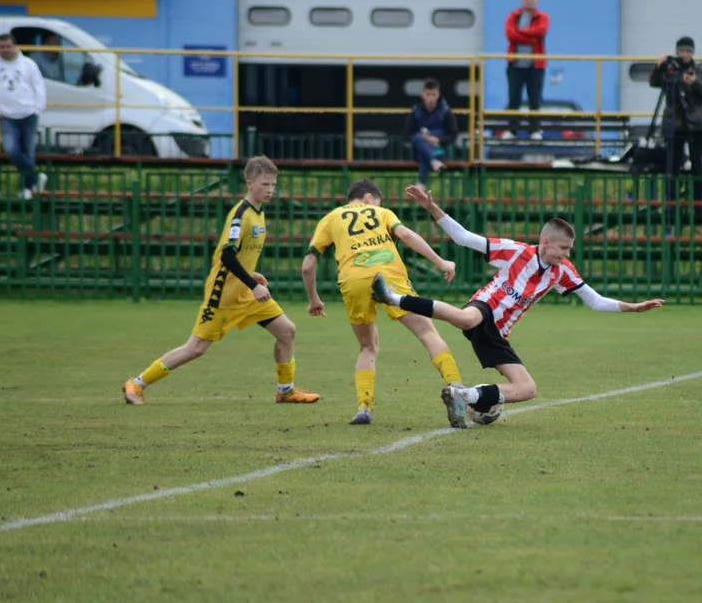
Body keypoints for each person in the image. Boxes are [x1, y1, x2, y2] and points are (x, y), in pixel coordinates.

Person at [371, 185, 665, 429]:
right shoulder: (515, 252)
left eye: (569, 250)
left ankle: (465, 396)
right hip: (485, 307)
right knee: (465, 318)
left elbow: (596, 301)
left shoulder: (562, 271)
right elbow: (463, 238)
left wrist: (633, 307)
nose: (566, 254)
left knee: (527, 389)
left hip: (498, 332)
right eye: (563, 248)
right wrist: (431, 207)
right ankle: (395, 298)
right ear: (546, 242)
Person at [123, 156, 320, 405]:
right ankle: (136, 384)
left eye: (273, 185)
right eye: (264, 185)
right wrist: (253, 284)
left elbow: (240, 253)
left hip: (246, 292)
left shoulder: (258, 213)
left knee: (287, 331)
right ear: (249, 183)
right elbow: (227, 256)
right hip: (223, 294)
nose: (270, 190)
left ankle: (285, 391)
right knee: (195, 348)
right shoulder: (241, 214)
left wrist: (252, 275)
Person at [302, 178, 467, 425]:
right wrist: (441, 262)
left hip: (353, 278)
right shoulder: (382, 212)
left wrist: (314, 299)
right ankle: (457, 389)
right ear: (369, 197)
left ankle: (364, 408)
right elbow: (407, 235)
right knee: (427, 333)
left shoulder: (331, 218)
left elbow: (307, 266)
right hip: (389, 274)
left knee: (367, 347)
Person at [649, 36, 702, 209]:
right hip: (674, 124)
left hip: (696, 125)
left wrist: (695, 83)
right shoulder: (670, 68)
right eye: (681, 51)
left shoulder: (700, 70)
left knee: (697, 163)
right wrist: (658, 67)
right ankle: (671, 202)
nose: (684, 55)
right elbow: (654, 83)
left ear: (692, 53)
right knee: (672, 165)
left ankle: (698, 201)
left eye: (687, 51)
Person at [0, 33, 48, 199]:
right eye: (1, 47)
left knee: (28, 151)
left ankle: (25, 188)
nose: (5, 50)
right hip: (7, 117)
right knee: (11, 150)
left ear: (14, 46)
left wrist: (38, 108)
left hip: (29, 114)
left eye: (8, 46)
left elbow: (39, 85)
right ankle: (36, 176)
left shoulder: (28, 64)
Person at [502, 0, 549, 140]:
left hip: (535, 66)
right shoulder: (512, 16)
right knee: (513, 99)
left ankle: (534, 130)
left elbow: (540, 32)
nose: (529, 1)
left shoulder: (543, 17)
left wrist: (520, 33)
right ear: (521, 0)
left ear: (536, 1)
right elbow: (510, 34)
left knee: (534, 99)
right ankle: (512, 131)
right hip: (515, 65)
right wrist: (530, 38)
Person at [402, 78, 459, 190]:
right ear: (422, 94)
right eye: (428, 95)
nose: (431, 98)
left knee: (425, 155)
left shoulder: (446, 112)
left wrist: (438, 140)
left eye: (433, 95)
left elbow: (453, 134)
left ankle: (422, 182)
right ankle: (434, 163)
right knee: (418, 138)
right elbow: (406, 135)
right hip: (418, 152)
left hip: (440, 151)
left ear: (438, 94)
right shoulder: (415, 112)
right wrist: (424, 139)